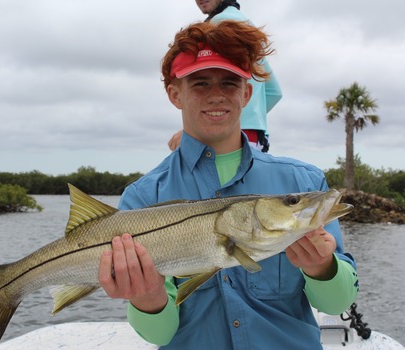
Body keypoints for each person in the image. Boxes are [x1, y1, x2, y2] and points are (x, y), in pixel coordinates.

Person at [99, 20, 358, 350]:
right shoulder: (142, 197)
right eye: (201, 83)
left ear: (247, 93)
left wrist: (322, 266)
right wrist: (148, 297)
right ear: (174, 94)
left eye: (230, 83)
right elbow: (158, 335)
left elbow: (337, 305)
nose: (217, 95)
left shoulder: (301, 180)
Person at [167, 0, 282, 152]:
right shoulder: (247, 24)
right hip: (257, 137)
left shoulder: (219, 24)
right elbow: (274, 92)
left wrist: (216, 121)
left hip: (233, 138)